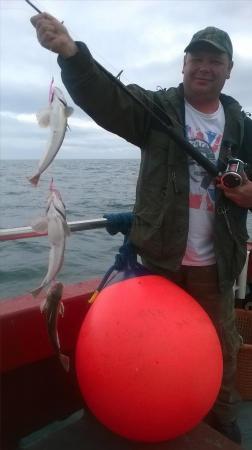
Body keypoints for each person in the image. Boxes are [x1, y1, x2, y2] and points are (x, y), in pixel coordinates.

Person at [30, 13, 252, 444]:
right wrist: (71, 54)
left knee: (220, 348)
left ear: (229, 70)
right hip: (160, 259)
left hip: (217, 263)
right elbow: (106, 99)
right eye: (197, 58)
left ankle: (221, 422)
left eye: (215, 61)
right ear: (183, 64)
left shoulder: (244, 128)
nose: (204, 67)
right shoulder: (155, 111)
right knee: (148, 348)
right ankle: (146, 412)